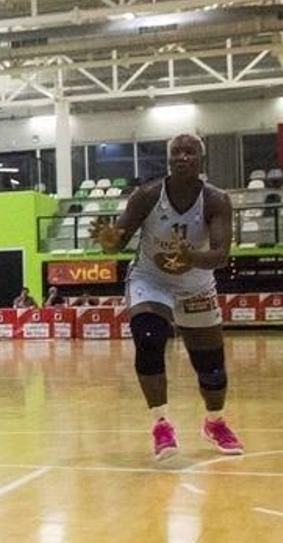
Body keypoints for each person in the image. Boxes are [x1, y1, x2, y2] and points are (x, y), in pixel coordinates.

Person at [91, 133, 243, 463]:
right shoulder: (147, 195)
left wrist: (192, 259)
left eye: (190, 152)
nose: (183, 157)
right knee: (149, 338)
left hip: (197, 284)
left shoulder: (216, 200)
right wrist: (108, 241)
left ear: (201, 160)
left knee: (211, 369)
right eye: (177, 153)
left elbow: (220, 256)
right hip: (151, 279)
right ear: (169, 159)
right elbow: (117, 240)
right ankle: (161, 424)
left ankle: (214, 422)